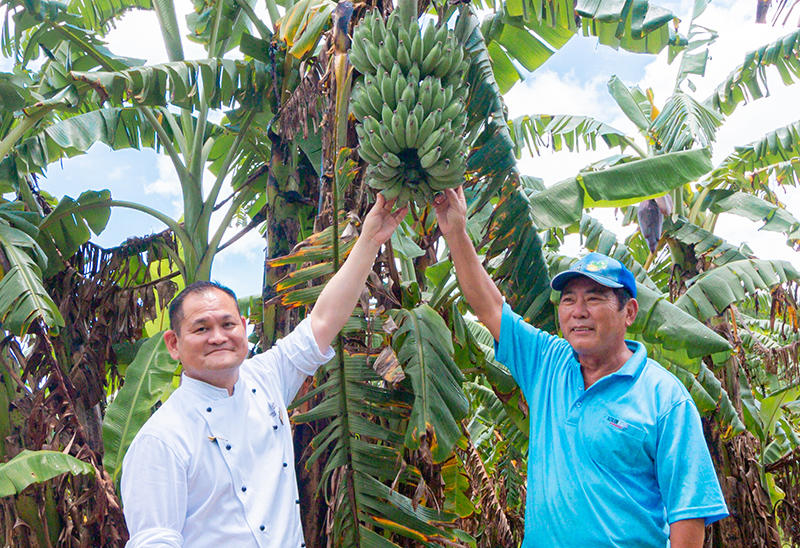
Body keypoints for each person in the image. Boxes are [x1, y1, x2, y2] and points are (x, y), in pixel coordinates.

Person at [433, 186, 728, 548]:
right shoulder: (547, 363)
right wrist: (456, 232)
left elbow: (688, 515)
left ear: (629, 312)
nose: (578, 311)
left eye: (594, 298)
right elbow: (490, 307)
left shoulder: (664, 398)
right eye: (569, 300)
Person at [120, 194, 407, 548]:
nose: (218, 337)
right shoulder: (162, 439)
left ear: (243, 326)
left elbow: (323, 320)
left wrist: (369, 240)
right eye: (201, 328)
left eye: (227, 324)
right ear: (174, 344)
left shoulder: (265, 377)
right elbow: (155, 541)